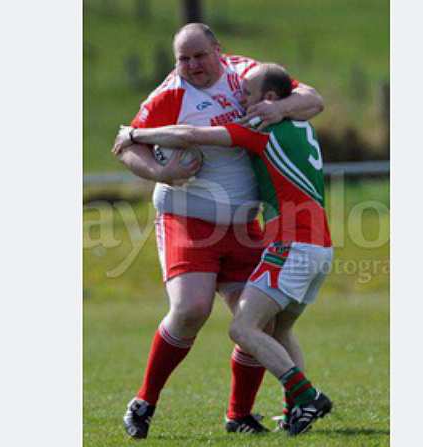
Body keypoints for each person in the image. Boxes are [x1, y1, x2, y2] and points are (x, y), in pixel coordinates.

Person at [111, 23, 324, 438]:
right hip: (187, 219)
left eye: (199, 56)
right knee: (191, 309)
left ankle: (238, 415)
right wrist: (163, 172)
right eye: (183, 59)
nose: (192, 66)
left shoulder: (246, 76)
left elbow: (312, 98)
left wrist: (280, 109)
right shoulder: (168, 95)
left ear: (218, 51)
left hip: (245, 224)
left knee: (257, 322)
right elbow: (126, 147)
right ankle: (144, 402)